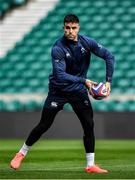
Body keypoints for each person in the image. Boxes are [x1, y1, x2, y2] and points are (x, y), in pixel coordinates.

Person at [10, 14, 115, 173]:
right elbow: (60, 75)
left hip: (78, 91)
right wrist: (84, 81)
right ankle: (21, 153)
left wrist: (108, 82)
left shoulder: (86, 42)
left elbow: (109, 56)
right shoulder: (58, 48)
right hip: (58, 90)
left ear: (78, 28)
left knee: (89, 125)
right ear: (63, 28)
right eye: (67, 28)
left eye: (74, 28)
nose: (71, 31)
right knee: (44, 125)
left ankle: (90, 165)